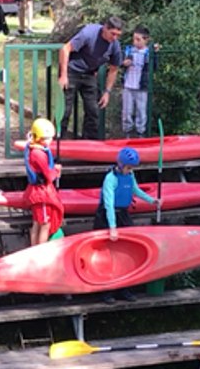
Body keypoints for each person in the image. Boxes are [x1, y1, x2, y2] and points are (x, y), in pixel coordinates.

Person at [95, 147, 158, 301]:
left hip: (123, 214)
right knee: (109, 255)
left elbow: (136, 190)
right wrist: (112, 227)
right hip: (107, 216)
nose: (130, 170)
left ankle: (125, 289)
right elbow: (109, 204)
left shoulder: (130, 175)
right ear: (121, 165)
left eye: (132, 168)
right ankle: (107, 291)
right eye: (128, 168)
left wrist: (152, 201)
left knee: (126, 252)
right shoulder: (110, 179)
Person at [58, 17, 124, 140]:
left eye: (118, 35)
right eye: (113, 34)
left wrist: (107, 92)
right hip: (72, 70)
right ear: (105, 28)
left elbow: (114, 69)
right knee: (65, 110)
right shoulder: (89, 33)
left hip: (90, 73)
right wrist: (63, 75)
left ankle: (89, 143)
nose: (114, 38)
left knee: (93, 111)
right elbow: (65, 49)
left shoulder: (115, 45)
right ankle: (57, 142)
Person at [24, 118, 64, 245]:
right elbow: (49, 175)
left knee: (37, 222)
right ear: (39, 138)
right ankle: (40, 251)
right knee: (45, 224)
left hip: (37, 192)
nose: (51, 140)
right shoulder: (38, 154)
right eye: (48, 138)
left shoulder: (34, 148)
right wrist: (57, 171)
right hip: (41, 194)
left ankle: (34, 249)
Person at [120, 26, 155, 138]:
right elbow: (121, 63)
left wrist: (155, 53)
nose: (135, 42)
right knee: (126, 111)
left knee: (141, 111)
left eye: (138, 39)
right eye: (134, 39)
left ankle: (141, 133)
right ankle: (127, 132)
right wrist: (124, 63)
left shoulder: (149, 52)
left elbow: (154, 67)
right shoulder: (128, 50)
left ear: (146, 40)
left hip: (141, 87)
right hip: (128, 85)